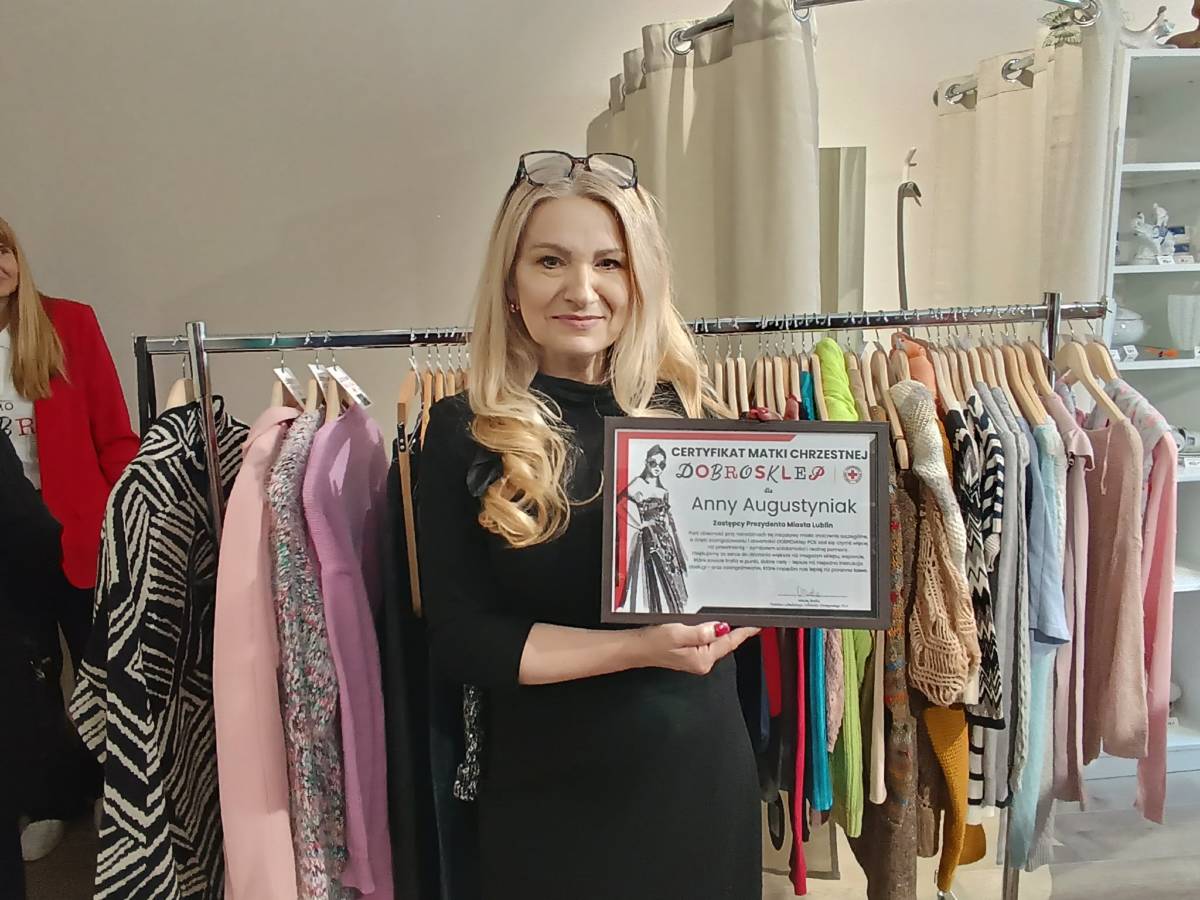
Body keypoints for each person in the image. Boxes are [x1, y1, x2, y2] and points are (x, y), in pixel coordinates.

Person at [417, 151, 761, 900]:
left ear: (641, 281)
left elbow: (746, 590)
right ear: (511, 284)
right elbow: (462, 639)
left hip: (695, 782)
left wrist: (775, 591)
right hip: (548, 797)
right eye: (550, 261)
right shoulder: (463, 431)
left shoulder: (696, 417)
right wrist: (637, 648)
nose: (582, 289)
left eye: (610, 262)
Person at [0, 216, 140, 862]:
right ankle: (56, 799)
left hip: (81, 537)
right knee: (30, 688)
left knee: (102, 672)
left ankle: (121, 793)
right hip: (10, 546)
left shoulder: (69, 324)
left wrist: (120, 521)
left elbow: (116, 435)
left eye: (4, 247)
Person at [619, 444, 690, 615]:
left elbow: (666, 517)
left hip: (664, 537)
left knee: (670, 571)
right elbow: (620, 506)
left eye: (662, 464)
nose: (657, 467)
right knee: (651, 573)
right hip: (648, 537)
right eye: (653, 463)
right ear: (646, 462)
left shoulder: (663, 491)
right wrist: (639, 524)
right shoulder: (637, 484)